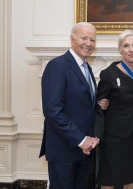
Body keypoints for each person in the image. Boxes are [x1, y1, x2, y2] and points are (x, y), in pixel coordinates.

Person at [39, 22, 100, 189]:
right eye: (84, 38)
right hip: (63, 150)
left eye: (92, 40)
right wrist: (81, 140)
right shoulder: (57, 66)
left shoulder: (86, 68)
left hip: (83, 152)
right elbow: (52, 111)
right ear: (72, 40)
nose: (88, 43)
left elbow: (83, 105)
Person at [95, 29, 133, 189]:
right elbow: (98, 105)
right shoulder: (109, 74)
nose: (131, 49)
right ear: (120, 49)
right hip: (114, 136)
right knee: (109, 180)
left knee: (131, 178)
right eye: (126, 46)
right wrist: (100, 105)